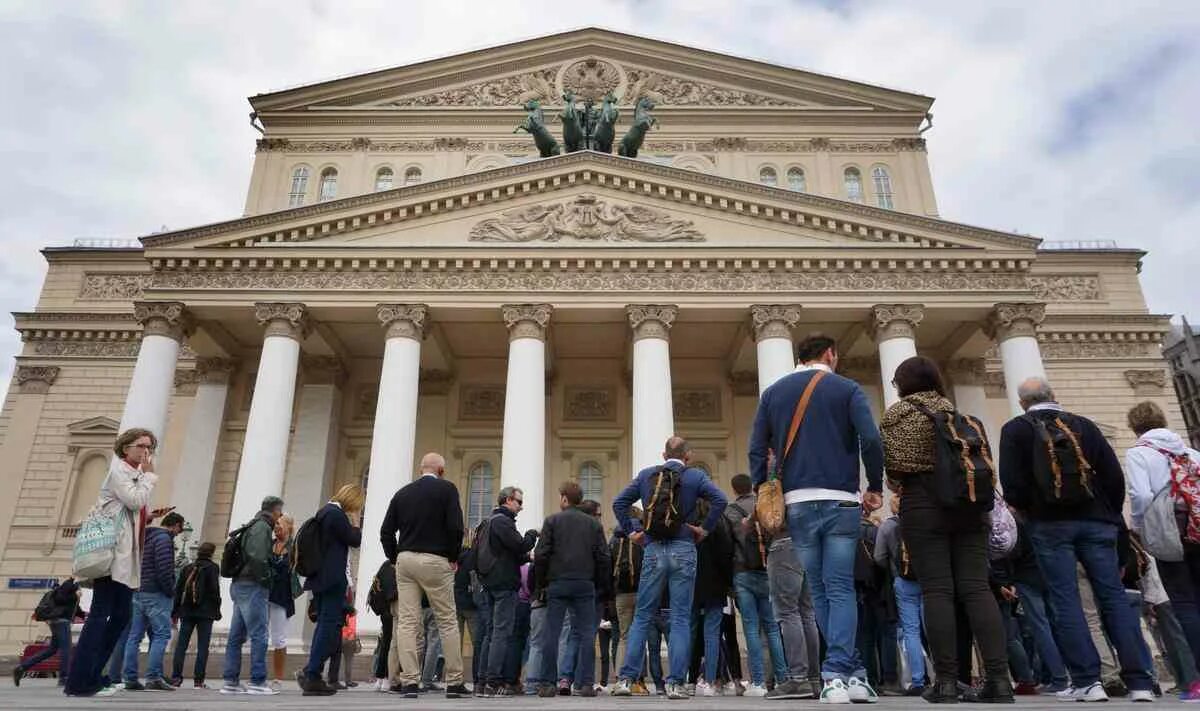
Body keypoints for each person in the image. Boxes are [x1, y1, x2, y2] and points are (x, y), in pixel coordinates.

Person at [999, 376, 1154, 702]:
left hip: (1049, 526)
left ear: (1022, 402)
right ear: (1054, 395)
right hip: (1097, 523)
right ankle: (1140, 682)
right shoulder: (1084, 425)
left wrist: (1032, 513)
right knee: (1113, 598)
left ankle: (1088, 681)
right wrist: (1110, 516)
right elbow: (1113, 475)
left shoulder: (1016, 429)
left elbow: (1011, 484)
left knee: (1065, 601)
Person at [749, 333, 884, 704]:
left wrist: (764, 488)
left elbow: (757, 448)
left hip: (797, 504)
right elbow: (870, 439)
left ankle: (848, 672)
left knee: (822, 590)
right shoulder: (847, 389)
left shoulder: (774, 394)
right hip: (841, 499)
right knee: (839, 588)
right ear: (830, 353)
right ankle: (839, 673)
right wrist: (874, 483)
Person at [879, 356, 1010, 702]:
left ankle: (948, 682)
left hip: (923, 505)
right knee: (977, 589)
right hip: (969, 507)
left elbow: (894, 474)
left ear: (903, 385)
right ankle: (999, 681)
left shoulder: (898, 418)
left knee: (936, 591)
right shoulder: (963, 417)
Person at [610, 436, 728, 699]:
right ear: (688, 456)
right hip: (684, 548)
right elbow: (720, 500)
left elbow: (619, 503)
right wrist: (704, 529)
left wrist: (633, 532)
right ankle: (675, 683)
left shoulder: (646, 475)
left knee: (642, 616)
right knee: (680, 617)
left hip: (653, 548)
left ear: (664, 455)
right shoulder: (695, 476)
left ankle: (626, 680)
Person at [64, 428, 159, 697]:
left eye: (149, 447)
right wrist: (150, 476)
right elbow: (133, 499)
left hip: (124, 558)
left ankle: (93, 675)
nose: (146, 451)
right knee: (100, 616)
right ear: (125, 447)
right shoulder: (119, 471)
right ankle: (79, 681)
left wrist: (147, 516)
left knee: (120, 616)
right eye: (141, 446)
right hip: (111, 557)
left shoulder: (134, 475)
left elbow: (131, 509)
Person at [379, 452, 469, 699]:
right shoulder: (447, 490)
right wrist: (453, 556)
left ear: (421, 470)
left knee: (408, 623)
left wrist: (395, 558)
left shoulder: (402, 493)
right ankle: (454, 681)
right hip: (436, 560)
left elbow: (386, 531)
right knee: (447, 620)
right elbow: (456, 527)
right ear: (441, 471)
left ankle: (408, 682)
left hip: (406, 560)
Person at [1126, 399, 1200, 691]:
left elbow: (1141, 495)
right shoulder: (1191, 452)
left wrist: (1139, 525)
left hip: (1170, 530)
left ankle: (1196, 682)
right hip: (1197, 525)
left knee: (1183, 602)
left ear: (1135, 427)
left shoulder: (1139, 454)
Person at [534, 480, 611, 697]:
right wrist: (600, 584)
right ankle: (586, 684)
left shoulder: (552, 521)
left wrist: (541, 584)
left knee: (552, 633)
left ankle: (548, 684)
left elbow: (541, 555)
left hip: (557, 583)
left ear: (565, 499)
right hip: (585, 584)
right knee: (587, 634)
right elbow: (603, 557)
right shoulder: (594, 524)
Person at [724, 474, 787, 697]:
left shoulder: (731, 511)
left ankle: (758, 682)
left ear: (734, 489)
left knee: (750, 628)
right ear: (751, 487)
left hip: (743, 572)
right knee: (772, 628)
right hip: (767, 570)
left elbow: (728, 545)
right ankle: (782, 680)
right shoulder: (763, 505)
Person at [297, 484, 363, 696]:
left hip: (321, 578)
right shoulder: (336, 515)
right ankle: (313, 675)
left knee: (324, 627)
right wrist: (354, 523)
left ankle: (311, 672)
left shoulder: (324, 512)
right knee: (329, 627)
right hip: (332, 579)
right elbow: (355, 540)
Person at [475, 485, 537, 696]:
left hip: (490, 583)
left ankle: (482, 681)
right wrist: (531, 535)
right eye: (519, 502)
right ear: (508, 500)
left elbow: (510, 553)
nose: (521, 506)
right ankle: (493, 681)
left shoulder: (489, 522)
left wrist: (527, 557)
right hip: (503, 585)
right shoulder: (503, 522)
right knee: (501, 633)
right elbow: (519, 546)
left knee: (491, 633)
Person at [221, 495, 284, 696]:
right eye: (280, 512)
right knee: (259, 634)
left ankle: (230, 681)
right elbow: (257, 557)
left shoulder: (252, 525)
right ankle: (257, 680)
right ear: (274, 511)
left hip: (240, 584)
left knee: (236, 636)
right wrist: (267, 578)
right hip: (253, 585)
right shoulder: (262, 527)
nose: (280, 516)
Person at [873, 496, 926, 696]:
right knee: (933, 627)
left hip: (903, 580)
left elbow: (879, 558)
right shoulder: (925, 520)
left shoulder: (888, 527)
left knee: (910, 631)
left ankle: (918, 679)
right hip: (929, 579)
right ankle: (943, 676)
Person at [687, 499, 733, 696]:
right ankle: (710, 681)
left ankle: (686, 679)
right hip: (715, 585)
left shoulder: (687, 525)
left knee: (689, 632)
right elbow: (726, 555)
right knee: (712, 634)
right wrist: (728, 582)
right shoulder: (718, 525)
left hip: (691, 585)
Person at [13, 577, 83, 687]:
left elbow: (71, 606)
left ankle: (22, 668)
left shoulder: (73, 585)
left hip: (57, 621)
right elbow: (60, 599)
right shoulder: (70, 583)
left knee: (52, 649)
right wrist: (75, 596)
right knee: (66, 649)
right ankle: (64, 678)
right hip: (61, 621)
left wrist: (82, 614)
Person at [170, 541, 221, 688]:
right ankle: (198, 681)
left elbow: (178, 590)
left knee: (181, 645)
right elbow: (214, 590)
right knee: (203, 647)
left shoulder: (187, 568)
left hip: (187, 611)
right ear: (211, 553)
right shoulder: (212, 568)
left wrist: (175, 611)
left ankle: (176, 677)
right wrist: (217, 609)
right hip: (206, 613)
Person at [266, 513, 299, 690]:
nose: (276, 527)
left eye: (279, 524)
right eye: (275, 525)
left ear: (288, 527)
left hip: (282, 596)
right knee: (260, 633)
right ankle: (260, 673)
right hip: (265, 594)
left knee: (279, 637)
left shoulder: (294, 547)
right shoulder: (269, 544)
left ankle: (278, 677)